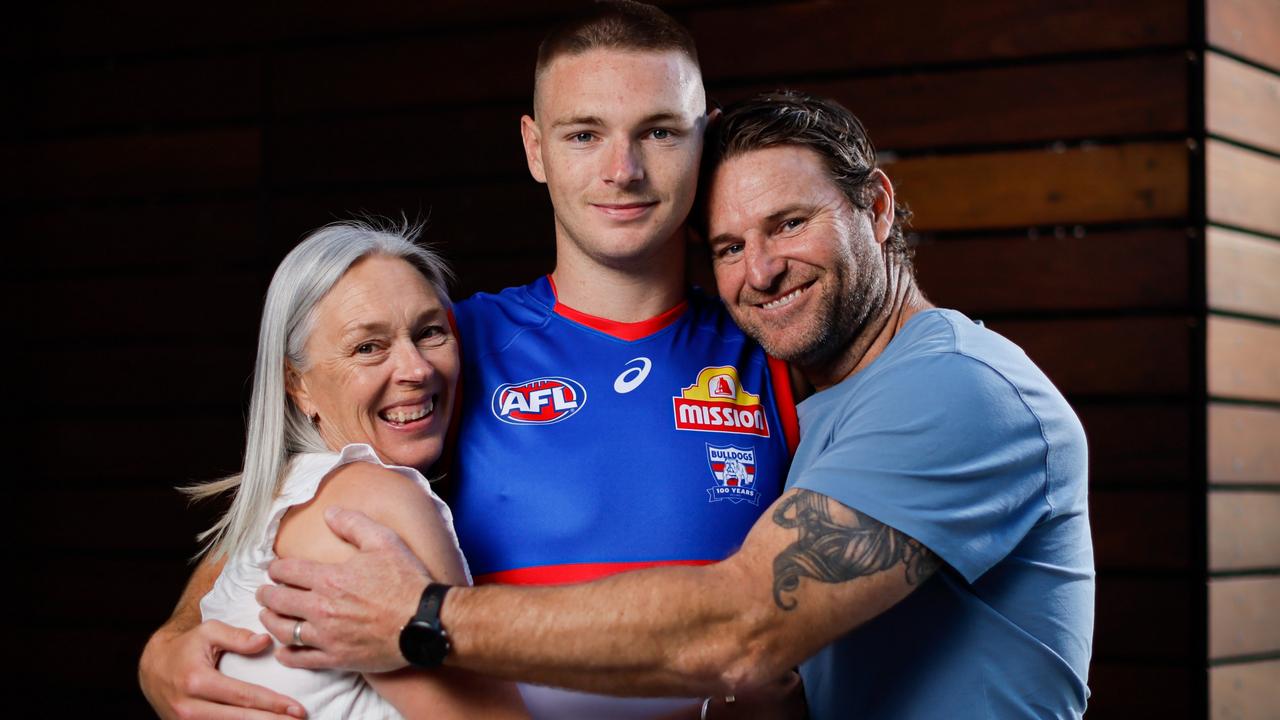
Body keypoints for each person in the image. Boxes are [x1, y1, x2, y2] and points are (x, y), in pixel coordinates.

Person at [255, 91, 1096, 719]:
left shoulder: (953, 391)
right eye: (729, 246)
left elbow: (742, 629)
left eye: (789, 223)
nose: (760, 270)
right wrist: (177, 639)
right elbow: (311, 483)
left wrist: (425, 617)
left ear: (874, 209)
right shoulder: (829, 389)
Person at [139, 3, 799, 718]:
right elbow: (294, 508)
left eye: (661, 132)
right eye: (584, 134)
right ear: (535, 148)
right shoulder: (444, 349)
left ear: (704, 139)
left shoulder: (780, 352)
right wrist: (172, 639)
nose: (623, 170)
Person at [179, 221, 527, 718]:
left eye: (430, 332)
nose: (416, 369)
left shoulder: (297, 496)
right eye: (368, 347)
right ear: (298, 385)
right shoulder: (372, 500)